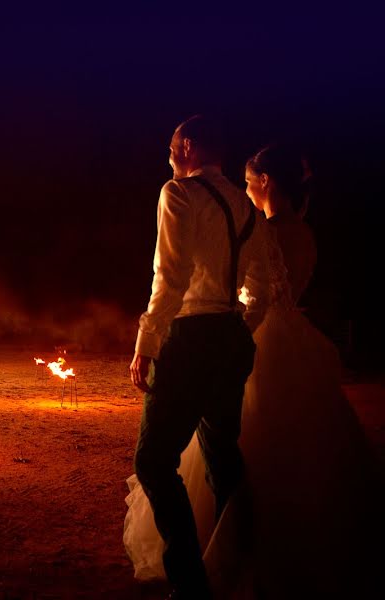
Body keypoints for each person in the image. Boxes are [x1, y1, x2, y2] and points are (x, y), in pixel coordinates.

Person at [125, 143, 385, 597]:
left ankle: (210, 566)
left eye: (250, 181)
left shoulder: (193, 199)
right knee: (235, 449)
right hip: (264, 335)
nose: (246, 187)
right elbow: (271, 288)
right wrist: (236, 326)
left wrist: (155, 339)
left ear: (265, 181)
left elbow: (174, 275)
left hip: (228, 334)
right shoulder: (294, 229)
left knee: (182, 454)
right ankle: (242, 547)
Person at [127, 115, 273, 599]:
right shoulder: (247, 205)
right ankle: (250, 563)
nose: (168, 158)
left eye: (171, 149)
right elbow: (261, 289)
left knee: (152, 460)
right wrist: (235, 327)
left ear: (188, 147)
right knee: (222, 456)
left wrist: (146, 345)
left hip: (189, 338)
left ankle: (191, 583)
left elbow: (169, 276)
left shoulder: (178, 193)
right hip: (230, 336)